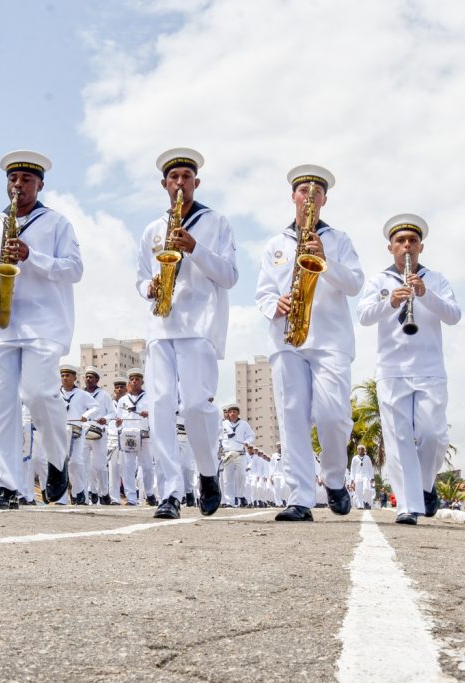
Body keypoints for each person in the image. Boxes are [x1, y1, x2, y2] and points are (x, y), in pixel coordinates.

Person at [0, 150, 83, 510]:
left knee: (38, 394)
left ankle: (56, 458)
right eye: (13, 180)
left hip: (43, 323)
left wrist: (31, 256)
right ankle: (6, 486)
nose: (18, 186)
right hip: (1, 324)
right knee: (1, 407)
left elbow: (74, 270)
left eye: (26, 180)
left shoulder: (57, 223)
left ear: (40, 185)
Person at [256, 164, 363, 522]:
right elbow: (263, 292)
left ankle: (334, 479)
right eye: (303, 191)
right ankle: (300, 497)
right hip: (287, 339)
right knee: (292, 419)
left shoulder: (339, 239)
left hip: (330, 340)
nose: (309, 197)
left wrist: (325, 260)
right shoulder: (274, 245)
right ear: (293, 197)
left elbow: (355, 284)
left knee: (334, 417)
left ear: (325, 200)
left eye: (316, 192)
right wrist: (276, 304)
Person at [137, 148, 237, 520]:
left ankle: (208, 472)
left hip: (199, 325)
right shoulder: (152, 229)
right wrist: (147, 286)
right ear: (164, 183)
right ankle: (170, 492)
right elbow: (139, 275)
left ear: (196, 181)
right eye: (173, 177)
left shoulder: (216, 222)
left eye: (186, 177)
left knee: (196, 405)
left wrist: (195, 249)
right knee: (160, 406)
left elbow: (229, 275)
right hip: (160, 325)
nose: (180, 183)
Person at [357, 214, 461, 525]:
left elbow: (454, 315)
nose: (406, 246)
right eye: (400, 241)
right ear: (391, 248)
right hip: (391, 369)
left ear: (421, 247)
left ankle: (425, 488)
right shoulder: (379, 281)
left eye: (412, 241)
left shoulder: (436, 279)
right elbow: (363, 316)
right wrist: (390, 301)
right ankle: (407, 504)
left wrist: (425, 294)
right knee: (399, 437)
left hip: (429, 368)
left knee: (433, 435)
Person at [53, 364, 98, 505]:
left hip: (76, 432)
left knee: (75, 463)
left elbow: (96, 407)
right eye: (62, 375)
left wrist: (86, 415)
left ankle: (79, 493)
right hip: (59, 431)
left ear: (74, 378)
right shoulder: (55, 393)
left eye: (68, 375)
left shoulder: (82, 394)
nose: (65, 378)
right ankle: (61, 498)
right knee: (59, 463)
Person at [115, 369, 154, 506]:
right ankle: (131, 498)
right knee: (128, 467)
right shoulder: (123, 400)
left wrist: (148, 414)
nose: (134, 381)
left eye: (137, 379)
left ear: (142, 382)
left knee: (148, 467)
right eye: (132, 379)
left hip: (144, 436)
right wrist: (118, 424)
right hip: (128, 436)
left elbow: (155, 415)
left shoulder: (149, 397)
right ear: (129, 382)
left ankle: (150, 494)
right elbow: (118, 418)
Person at [82, 367, 115, 505]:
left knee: (99, 466)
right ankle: (89, 492)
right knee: (83, 465)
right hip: (83, 433)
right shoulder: (79, 394)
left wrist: (105, 419)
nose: (89, 379)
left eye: (92, 377)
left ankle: (104, 493)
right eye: (87, 376)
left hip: (99, 433)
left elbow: (113, 413)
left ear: (97, 380)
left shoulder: (104, 395)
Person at [220, 403, 256, 507]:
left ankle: (240, 496)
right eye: (230, 412)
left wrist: (247, 442)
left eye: (234, 412)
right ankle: (229, 501)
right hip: (228, 454)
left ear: (238, 413)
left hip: (241, 454)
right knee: (227, 479)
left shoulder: (244, 424)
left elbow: (251, 435)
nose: (232, 414)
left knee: (242, 476)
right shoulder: (223, 424)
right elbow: (218, 436)